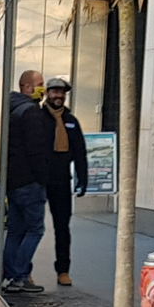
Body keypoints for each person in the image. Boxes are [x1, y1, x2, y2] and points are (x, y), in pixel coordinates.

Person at [28, 76, 89, 287]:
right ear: (47, 94)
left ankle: (63, 270)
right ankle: (25, 271)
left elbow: (80, 152)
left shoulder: (71, 121)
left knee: (63, 228)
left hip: (62, 181)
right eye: (54, 92)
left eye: (62, 93)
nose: (59, 96)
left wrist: (83, 178)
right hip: (39, 180)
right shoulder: (38, 117)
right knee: (31, 226)